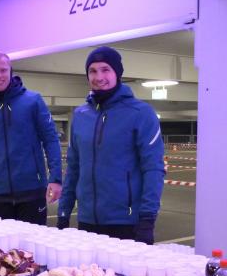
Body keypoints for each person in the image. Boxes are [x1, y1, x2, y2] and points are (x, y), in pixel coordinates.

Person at [57, 46, 166, 244]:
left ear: (118, 73)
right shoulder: (80, 115)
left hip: (127, 222)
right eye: (93, 71)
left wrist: (147, 219)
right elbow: (73, 168)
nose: (99, 77)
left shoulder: (140, 113)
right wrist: (64, 212)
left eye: (105, 69)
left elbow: (153, 169)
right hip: (87, 221)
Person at [0, 51, 62, 224]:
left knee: (33, 241)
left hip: (32, 192)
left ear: (11, 70)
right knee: (1, 242)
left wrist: (55, 178)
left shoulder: (33, 101)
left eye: (3, 70)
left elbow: (50, 139)